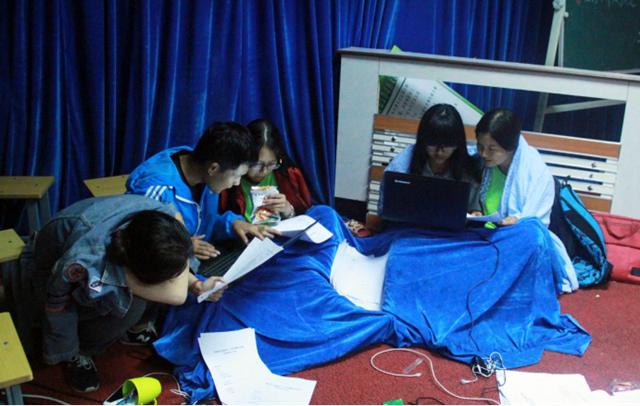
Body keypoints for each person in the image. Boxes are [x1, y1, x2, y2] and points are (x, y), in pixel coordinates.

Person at [18, 195, 226, 393]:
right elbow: (59, 308)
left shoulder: (163, 221)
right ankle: (84, 352)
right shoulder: (83, 262)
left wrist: (196, 284)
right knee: (129, 307)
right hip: (45, 270)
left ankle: (133, 326)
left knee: (148, 293)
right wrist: (68, 351)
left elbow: (175, 272)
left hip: (115, 258)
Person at [126, 121, 282, 262]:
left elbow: (204, 223)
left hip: (196, 264)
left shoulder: (204, 173)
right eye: (236, 176)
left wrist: (235, 223)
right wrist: (180, 247)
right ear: (213, 168)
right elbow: (135, 246)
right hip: (169, 271)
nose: (237, 183)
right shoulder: (156, 192)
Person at [474, 107, 578, 291]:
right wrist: (474, 213)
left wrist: (517, 221)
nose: (483, 154)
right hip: (482, 236)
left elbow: (537, 227)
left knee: (530, 238)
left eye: (491, 149)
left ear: (511, 146)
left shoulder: (535, 171)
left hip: (514, 240)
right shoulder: (478, 163)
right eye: (480, 146)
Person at [378, 103, 482, 214]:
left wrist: (475, 213)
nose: (439, 152)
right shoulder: (402, 166)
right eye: (433, 144)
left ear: (458, 143)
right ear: (423, 141)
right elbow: (385, 209)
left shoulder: (468, 169)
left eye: (447, 145)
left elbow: (473, 209)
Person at [219, 119, 312, 222]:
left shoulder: (289, 175)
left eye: (271, 164)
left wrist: (288, 210)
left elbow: (305, 216)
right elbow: (217, 219)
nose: (264, 171)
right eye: (257, 164)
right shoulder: (230, 180)